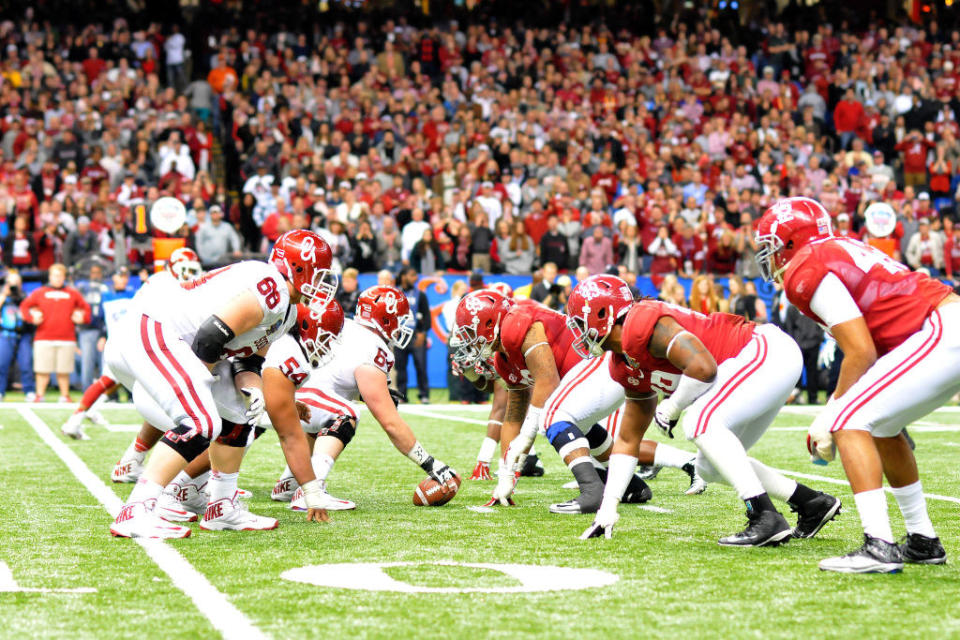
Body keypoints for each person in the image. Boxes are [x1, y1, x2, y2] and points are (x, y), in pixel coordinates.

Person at [757, 196, 959, 573]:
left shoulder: (805, 266)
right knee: (882, 427)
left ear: (788, 242)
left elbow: (861, 351)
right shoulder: (839, 248)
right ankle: (922, 540)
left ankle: (878, 545)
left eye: (770, 248)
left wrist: (829, 416)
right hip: (939, 328)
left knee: (849, 419)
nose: (768, 259)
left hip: (939, 328)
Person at [568, 275, 840, 546]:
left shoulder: (640, 322)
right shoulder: (623, 364)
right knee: (708, 466)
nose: (579, 331)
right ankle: (811, 503)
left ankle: (764, 515)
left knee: (698, 421)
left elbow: (703, 368)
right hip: (758, 364)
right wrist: (609, 505)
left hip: (764, 350)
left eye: (580, 322)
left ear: (603, 313)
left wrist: (672, 407)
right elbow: (628, 440)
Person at [106, 230, 338, 538]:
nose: (322, 283)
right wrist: (197, 391)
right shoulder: (273, 289)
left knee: (240, 412)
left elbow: (249, 361)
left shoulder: (289, 311)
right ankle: (136, 510)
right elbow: (210, 336)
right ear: (295, 267)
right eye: (318, 274)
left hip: (180, 342)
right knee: (200, 421)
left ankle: (221, 507)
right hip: (158, 329)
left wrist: (254, 390)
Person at [452, 289, 697, 514]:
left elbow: (547, 382)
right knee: (580, 426)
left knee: (552, 415)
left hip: (603, 366)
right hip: (591, 376)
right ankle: (633, 486)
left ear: (488, 323)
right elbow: (513, 415)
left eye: (469, 332)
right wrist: (506, 474)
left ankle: (592, 491)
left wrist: (527, 436)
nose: (468, 341)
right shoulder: (503, 360)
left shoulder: (516, 325)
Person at [268, 286, 458, 508]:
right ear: (386, 319)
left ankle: (290, 481)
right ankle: (312, 489)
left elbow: (333, 378)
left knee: (329, 410)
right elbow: (390, 422)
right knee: (345, 413)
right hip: (301, 401)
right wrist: (431, 464)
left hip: (285, 395)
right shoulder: (373, 347)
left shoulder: (345, 325)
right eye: (398, 319)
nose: (401, 326)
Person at [66, 250, 201, 449]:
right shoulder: (166, 283)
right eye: (186, 268)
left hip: (134, 337)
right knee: (154, 391)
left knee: (111, 381)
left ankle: (81, 417)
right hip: (140, 340)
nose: (190, 274)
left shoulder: (158, 280)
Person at [19, 264, 91, 404]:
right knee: (42, 369)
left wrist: (82, 318)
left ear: (64, 277)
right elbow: (24, 307)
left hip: (67, 338)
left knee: (64, 370)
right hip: (43, 337)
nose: (57, 278)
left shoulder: (73, 293)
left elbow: (86, 309)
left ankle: (65, 395)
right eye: (54, 275)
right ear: (50, 276)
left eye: (60, 275)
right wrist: (31, 318)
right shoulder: (40, 292)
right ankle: (40, 395)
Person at [394, 267, 431, 404]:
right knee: (400, 367)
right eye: (412, 275)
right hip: (399, 336)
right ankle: (402, 395)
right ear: (403, 277)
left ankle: (424, 395)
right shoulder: (395, 294)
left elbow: (427, 316)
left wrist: (423, 333)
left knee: (421, 366)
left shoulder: (420, 295)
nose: (415, 278)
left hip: (416, 336)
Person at [74, 263, 109, 391]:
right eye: (93, 272)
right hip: (86, 329)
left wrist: (104, 334)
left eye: (98, 272)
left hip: (103, 330)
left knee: (105, 365)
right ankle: (87, 392)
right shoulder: (82, 288)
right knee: (86, 364)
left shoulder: (105, 288)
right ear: (89, 274)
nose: (95, 275)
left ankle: (104, 392)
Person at [0, 271, 35, 401]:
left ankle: (29, 390)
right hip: (6, 333)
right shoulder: (3, 296)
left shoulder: (26, 296)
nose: (14, 285)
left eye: (17, 282)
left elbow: (32, 311)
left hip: (23, 334)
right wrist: (4, 294)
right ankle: (0, 391)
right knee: (1, 364)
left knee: (26, 364)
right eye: (11, 282)